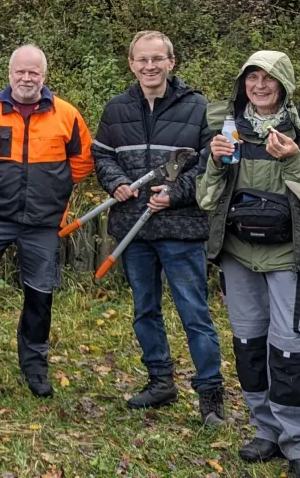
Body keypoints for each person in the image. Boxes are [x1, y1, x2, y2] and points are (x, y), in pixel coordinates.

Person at [197, 52, 300, 478]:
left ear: (285, 83)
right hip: (239, 256)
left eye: (269, 79)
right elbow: (206, 199)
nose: (260, 86)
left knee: (289, 352)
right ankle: (266, 431)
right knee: (248, 346)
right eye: (252, 78)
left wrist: (293, 159)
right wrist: (212, 161)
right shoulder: (228, 129)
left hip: (290, 257)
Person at [92, 31, 224, 425]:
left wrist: (176, 193)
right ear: (131, 64)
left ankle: (210, 395)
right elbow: (102, 155)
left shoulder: (200, 107)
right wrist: (114, 181)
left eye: (157, 59)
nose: (149, 66)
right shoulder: (116, 109)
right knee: (144, 310)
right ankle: (160, 381)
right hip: (134, 228)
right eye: (141, 60)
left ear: (171, 62)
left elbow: (210, 165)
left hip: (181, 227)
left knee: (194, 312)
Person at [0, 44, 94, 398]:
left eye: (33, 72)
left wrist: (54, 192)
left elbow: (83, 162)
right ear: (9, 74)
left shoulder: (66, 114)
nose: (26, 78)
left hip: (42, 224)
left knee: (40, 296)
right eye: (20, 71)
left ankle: (35, 365)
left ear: (44, 76)